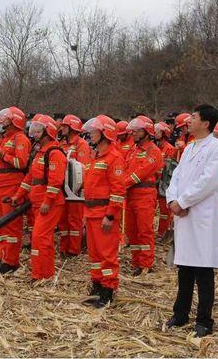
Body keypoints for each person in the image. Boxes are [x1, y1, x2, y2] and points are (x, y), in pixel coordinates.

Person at [165, 104, 218, 338]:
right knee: (185, 270)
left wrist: (183, 202)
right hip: (184, 216)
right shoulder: (190, 148)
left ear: (206, 123)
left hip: (202, 217)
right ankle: (180, 314)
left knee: (203, 272)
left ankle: (204, 320)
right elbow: (177, 177)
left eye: (193, 117)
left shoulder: (217, 148)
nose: (188, 120)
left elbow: (208, 181)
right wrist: (173, 199)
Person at [10, 114, 67, 281]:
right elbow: (29, 178)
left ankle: (41, 275)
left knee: (40, 237)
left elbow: (55, 182)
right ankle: (43, 273)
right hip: (38, 202)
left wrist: (48, 201)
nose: (34, 133)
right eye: (34, 129)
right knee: (42, 238)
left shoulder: (54, 153)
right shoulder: (39, 153)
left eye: (38, 130)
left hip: (49, 203)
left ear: (47, 132)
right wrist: (17, 196)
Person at [81, 115, 126, 308]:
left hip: (104, 214)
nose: (91, 134)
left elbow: (118, 191)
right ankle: (97, 285)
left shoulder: (114, 158)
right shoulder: (94, 156)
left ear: (105, 133)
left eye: (94, 131)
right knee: (95, 255)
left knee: (107, 255)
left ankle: (108, 291)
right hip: (91, 212)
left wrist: (110, 215)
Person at [0, 107, 31, 274]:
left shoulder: (20, 139)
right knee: (1, 225)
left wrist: (3, 156)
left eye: (6, 119)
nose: (2, 122)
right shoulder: (5, 139)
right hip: (1, 185)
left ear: (14, 121)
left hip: (12, 185)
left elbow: (21, 163)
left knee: (12, 227)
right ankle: (3, 256)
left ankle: (11, 261)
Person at [123, 116, 164, 275]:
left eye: (137, 130)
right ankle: (136, 262)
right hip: (131, 194)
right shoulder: (132, 151)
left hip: (145, 194)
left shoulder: (153, 151)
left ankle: (146, 263)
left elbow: (142, 172)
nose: (133, 133)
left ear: (147, 132)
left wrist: (123, 184)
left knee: (144, 230)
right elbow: (126, 169)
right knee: (131, 231)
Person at [57, 114, 90, 257]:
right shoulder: (62, 144)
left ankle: (73, 250)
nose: (62, 128)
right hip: (63, 187)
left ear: (72, 128)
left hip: (76, 189)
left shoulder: (81, 144)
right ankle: (64, 247)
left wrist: (77, 189)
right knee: (63, 221)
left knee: (74, 221)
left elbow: (82, 168)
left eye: (65, 126)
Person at [154, 122, 177, 238]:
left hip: (164, 182)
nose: (154, 133)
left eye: (157, 131)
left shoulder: (170, 149)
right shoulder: (156, 147)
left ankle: (162, 232)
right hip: (156, 182)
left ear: (164, 133)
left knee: (164, 210)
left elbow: (170, 169)